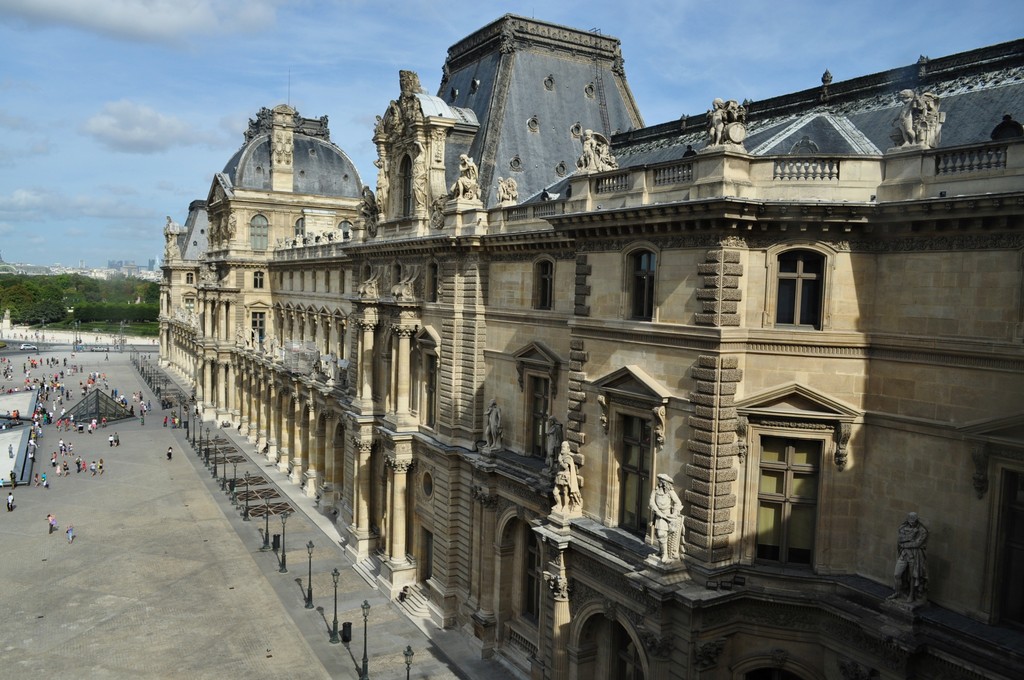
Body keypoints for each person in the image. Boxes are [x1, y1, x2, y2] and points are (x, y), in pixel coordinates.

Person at [890, 512, 928, 602]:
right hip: (903, 554)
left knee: (913, 576)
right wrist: (910, 538)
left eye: (913, 522)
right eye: (910, 521)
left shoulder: (922, 531)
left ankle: (911, 595)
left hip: (914, 556)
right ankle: (898, 592)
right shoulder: (903, 528)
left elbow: (918, 543)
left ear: (916, 520)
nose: (911, 523)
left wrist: (905, 544)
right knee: (897, 574)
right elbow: (900, 540)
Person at [649, 474, 683, 562]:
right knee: (658, 534)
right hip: (658, 515)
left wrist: (674, 513)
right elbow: (651, 501)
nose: (660, 483)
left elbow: (678, 502)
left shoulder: (670, 492)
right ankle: (661, 551)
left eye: (661, 481)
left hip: (666, 515)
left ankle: (665, 554)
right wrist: (657, 510)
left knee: (661, 534)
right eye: (659, 481)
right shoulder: (655, 490)